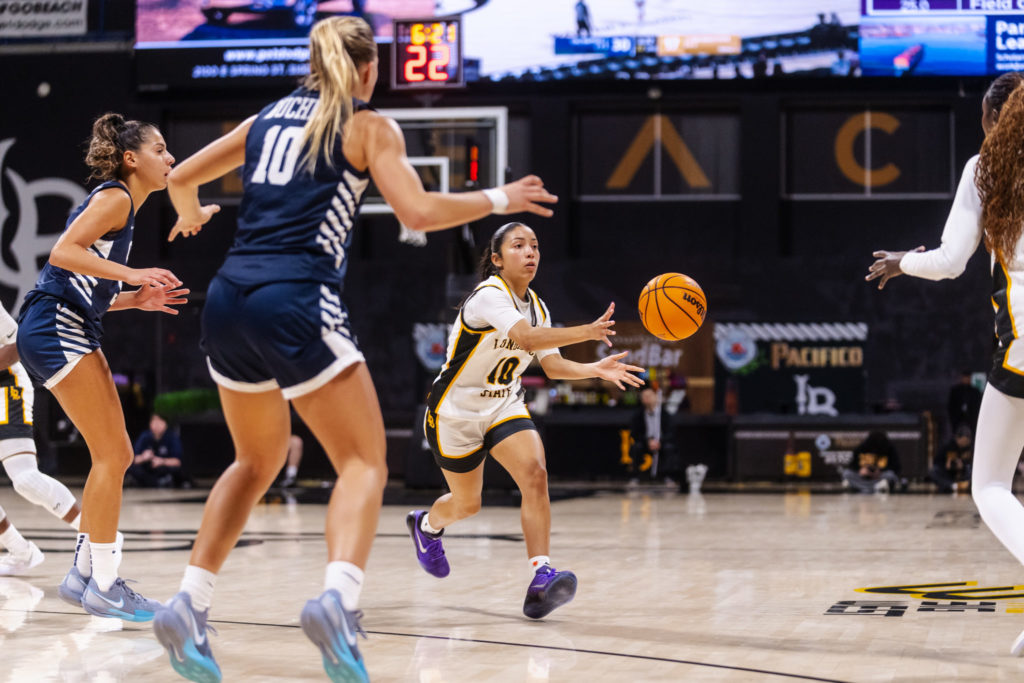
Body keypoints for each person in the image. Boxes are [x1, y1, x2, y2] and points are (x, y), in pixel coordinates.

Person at [151, 16, 558, 683]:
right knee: (364, 461)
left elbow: (181, 178)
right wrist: (500, 197)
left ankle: (188, 603)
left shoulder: (265, 119)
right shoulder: (368, 126)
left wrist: (191, 214)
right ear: (369, 69)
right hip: (295, 297)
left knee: (253, 461)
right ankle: (337, 601)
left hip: (225, 300)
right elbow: (417, 212)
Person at [407, 221, 643, 620]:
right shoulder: (488, 296)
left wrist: (595, 369)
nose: (530, 252)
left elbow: (552, 366)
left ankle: (541, 576)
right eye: (518, 245)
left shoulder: (538, 306)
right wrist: (588, 331)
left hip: (503, 404)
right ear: (497, 259)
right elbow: (528, 339)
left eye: (534, 245)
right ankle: (426, 526)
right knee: (467, 504)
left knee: (535, 474)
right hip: (455, 413)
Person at [865, 71, 1024, 654]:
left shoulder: (986, 169)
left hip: (1023, 344)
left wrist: (902, 261)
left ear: (992, 120)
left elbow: (952, 261)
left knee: (989, 485)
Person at [15, 112, 187, 621]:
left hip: (66, 323)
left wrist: (134, 299)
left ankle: (85, 575)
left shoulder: (119, 206)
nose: (170, 157)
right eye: (160, 149)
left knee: (115, 454)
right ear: (131, 159)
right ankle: (106, 587)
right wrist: (132, 273)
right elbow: (63, 253)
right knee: (113, 454)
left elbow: (85, 286)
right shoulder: (116, 198)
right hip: (55, 325)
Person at [0, 304, 83, 575]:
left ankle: (99, 535)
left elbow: (19, 345)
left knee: (25, 479)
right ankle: (20, 551)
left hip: (7, 384)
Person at [626, 386, 677, 485]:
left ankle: (669, 477)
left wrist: (660, 442)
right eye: (644, 396)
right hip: (645, 442)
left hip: (661, 442)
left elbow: (671, 432)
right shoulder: (638, 415)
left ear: (656, 397)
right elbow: (634, 433)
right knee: (636, 447)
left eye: (649, 396)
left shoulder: (664, 414)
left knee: (669, 448)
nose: (646, 398)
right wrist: (648, 441)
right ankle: (635, 477)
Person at [127, 413, 187, 488]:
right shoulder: (145, 436)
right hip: (147, 469)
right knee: (133, 469)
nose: (156, 424)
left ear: (166, 423)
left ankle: (162, 482)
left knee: (175, 470)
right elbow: (133, 460)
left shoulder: (172, 437)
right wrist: (143, 457)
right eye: (154, 420)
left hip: (163, 469)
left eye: (160, 420)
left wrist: (162, 461)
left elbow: (177, 462)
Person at [930, 424, 973, 494]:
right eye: (963, 441)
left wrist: (962, 465)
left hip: (963, 473)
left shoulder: (970, 448)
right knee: (933, 471)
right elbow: (937, 461)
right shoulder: (947, 445)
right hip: (947, 473)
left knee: (970, 469)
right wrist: (947, 464)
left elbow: (971, 463)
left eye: (966, 442)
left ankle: (965, 485)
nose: (964, 444)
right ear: (957, 438)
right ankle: (952, 486)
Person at [948, 370, 982, 435]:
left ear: (970, 378)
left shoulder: (975, 392)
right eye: (965, 377)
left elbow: (977, 406)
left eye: (968, 377)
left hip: (971, 420)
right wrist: (954, 419)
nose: (966, 379)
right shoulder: (955, 391)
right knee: (958, 435)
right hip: (958, 420)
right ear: (962, 377)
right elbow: (951, 407)